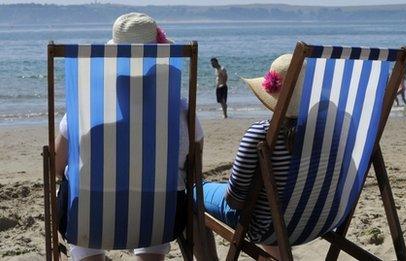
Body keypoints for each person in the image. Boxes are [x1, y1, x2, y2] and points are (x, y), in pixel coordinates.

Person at [54, 13, 204, 261]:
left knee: (81, 198)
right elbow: (194, 169)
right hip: (160, 219)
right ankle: (150, 253)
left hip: (88, 218)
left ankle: (87, 254)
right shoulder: (181, 111)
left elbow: (58, 167)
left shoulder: (84, 110)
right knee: (158, 202)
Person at [201, 54, 306, 259]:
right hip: (312, 221)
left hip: (266, 226)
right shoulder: (327, 132)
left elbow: (234, 199)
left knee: (195, 191)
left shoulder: (262, 133)